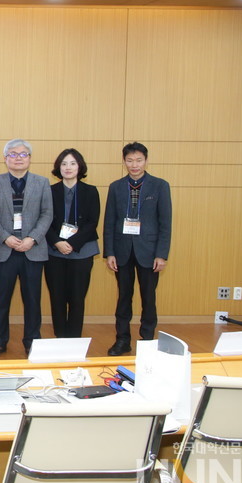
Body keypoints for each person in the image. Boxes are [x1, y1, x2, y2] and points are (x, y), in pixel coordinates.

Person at [0, 139, 53, 357]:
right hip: (4, 249)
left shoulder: (42, 183)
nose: (18, 158)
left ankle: (32, 341)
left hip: (32, 249)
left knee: (32, 299)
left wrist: (32, 238)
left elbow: (47, 214)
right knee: (1, 299)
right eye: (13, 154)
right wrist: (5, 238)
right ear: (5, 159)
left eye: (23, 154)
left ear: (30, 158)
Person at [104, 142, 172, 356]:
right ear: (124, 161)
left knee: (148, 297)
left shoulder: (160, 185)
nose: (134, 165)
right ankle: (122, 340)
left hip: (149, 252)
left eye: (139, 160)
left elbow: (165, 223)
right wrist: (110, 252)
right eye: (130, 160)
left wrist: (162, 254)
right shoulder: (116, 187)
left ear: (146, 160)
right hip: (122, 251)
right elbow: (109, 222)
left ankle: (148, 340)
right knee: (124, 297)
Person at [44, 148, 100, 339]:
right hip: (54, 252)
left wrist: (72, 244)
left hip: (82, 252)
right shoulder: (49, 191)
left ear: (80, 166)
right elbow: (43, 221)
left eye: (73, 163)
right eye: (64, 163)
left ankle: (74, 340)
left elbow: (92, 222)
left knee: (77, 299)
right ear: (58, 168)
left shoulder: (91, 191)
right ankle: (61, 339)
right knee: (57, 299)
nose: (68, 167)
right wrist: (58, 242)